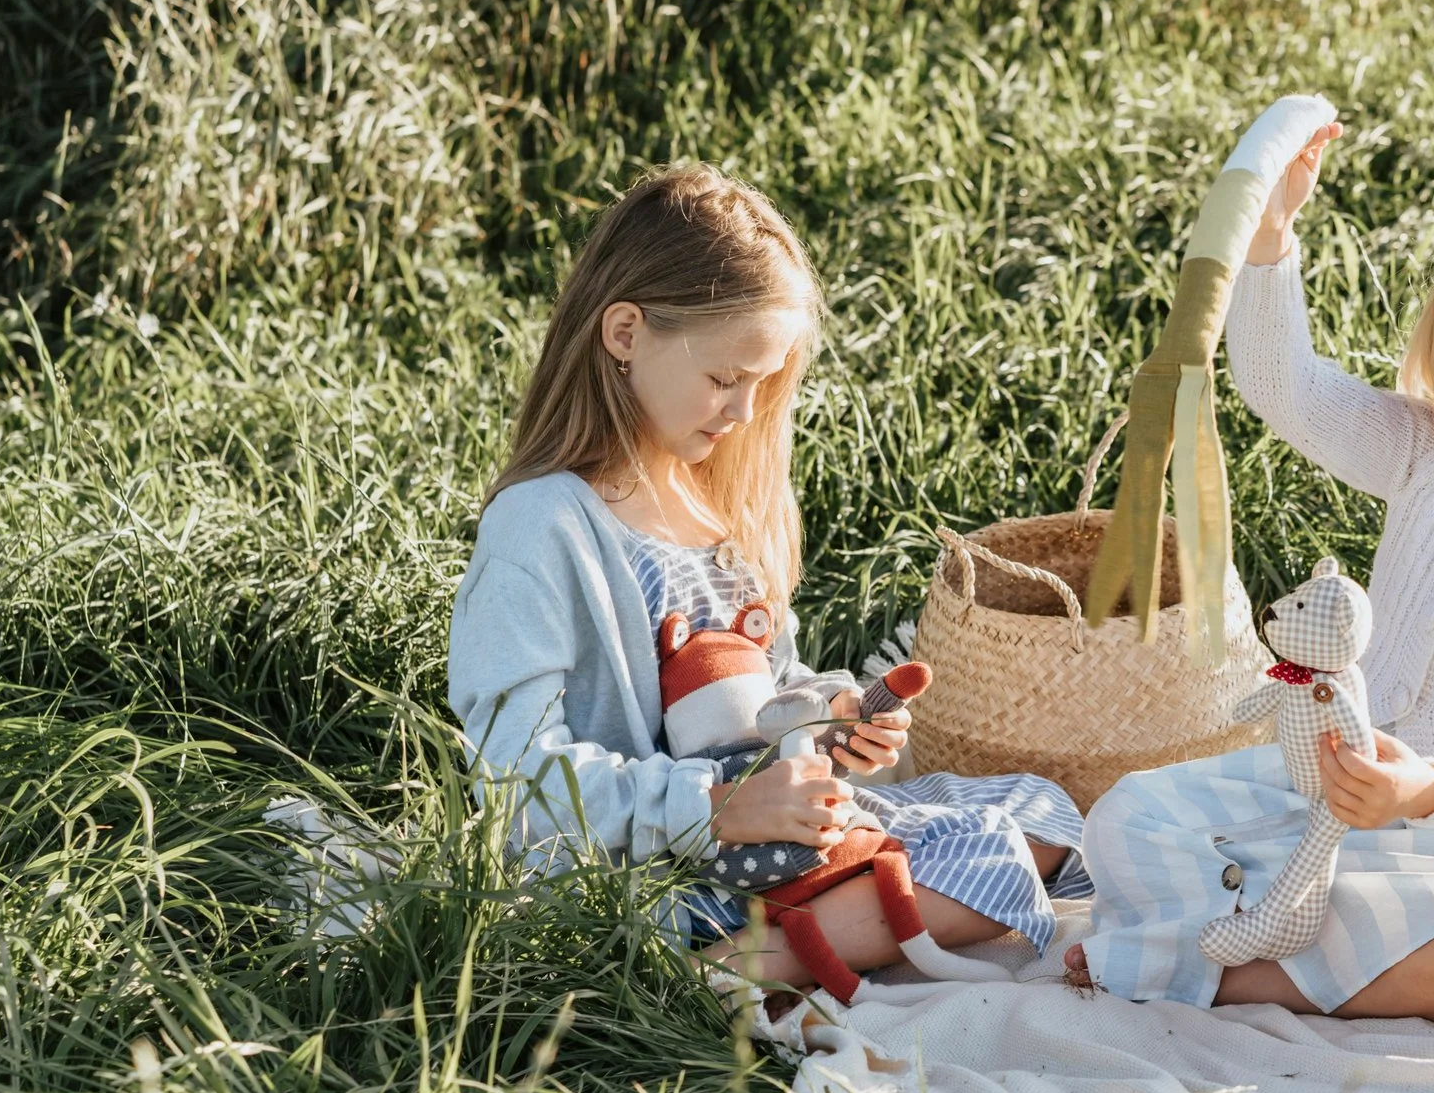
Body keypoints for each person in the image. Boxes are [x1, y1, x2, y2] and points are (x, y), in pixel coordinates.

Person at [1069, 125, 1434, 1032]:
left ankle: (1230, 977)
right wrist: (1271, 240)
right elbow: (1287, 388)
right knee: (1127, 814)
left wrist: (1427, 788)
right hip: (1337, 806)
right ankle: (1371, 973)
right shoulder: (1430, 453)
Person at [448, 163, 1084, 991]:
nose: (745, 411)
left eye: (763, 383)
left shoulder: (710, 504)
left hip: (766, 838)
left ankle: (814, 923)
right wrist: (713, 812)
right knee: (993, 856)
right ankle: (721, 972)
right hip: (654, 870)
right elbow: (511, 777)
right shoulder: (543, 525)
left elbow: (767, 694)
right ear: (624, 333)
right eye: (724, 378)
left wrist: (831, 721)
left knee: (1046, 809)